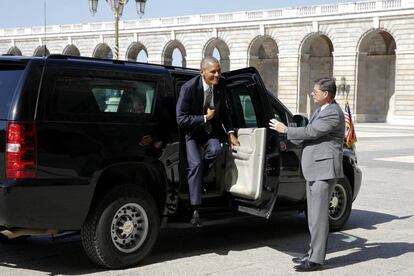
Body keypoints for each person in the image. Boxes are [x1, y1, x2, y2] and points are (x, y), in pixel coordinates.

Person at [269, 77, 345, 272]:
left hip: (324, 170)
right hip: (314, 169)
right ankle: (312, 253)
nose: (312, 93)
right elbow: (310, 137)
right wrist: (288, 143)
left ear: (326, 94)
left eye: (315, 91)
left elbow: (312, 132)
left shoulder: (334, 113)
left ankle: (316, 260)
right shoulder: (321, 110)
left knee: (319, 217)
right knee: (312, 216)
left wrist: (285, 130)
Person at [176, 56, 240, 227]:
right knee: (195, 164)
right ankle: (195, 208)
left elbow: (225, 110)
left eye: (219, 71)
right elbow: (181, 119)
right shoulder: (188, 88)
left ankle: (198, 179)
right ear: (202, 72)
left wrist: (230, 133)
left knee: (216, 150)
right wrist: (205, 117)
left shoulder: (222, 84)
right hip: (191, 131)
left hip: (210, 131)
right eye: (213, 72)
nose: (217, 75)